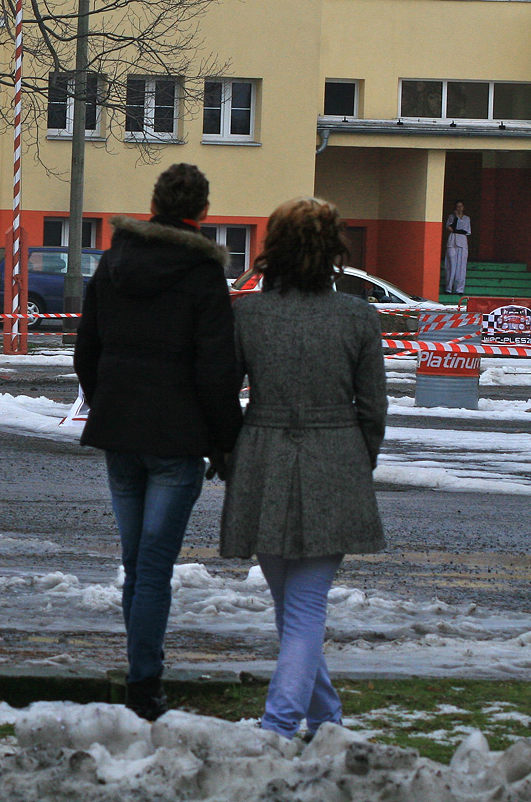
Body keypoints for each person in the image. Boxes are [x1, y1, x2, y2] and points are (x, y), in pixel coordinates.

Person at [74, 163, 243, 720]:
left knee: (136, 563)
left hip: (120, 431)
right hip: (176, 438)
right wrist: (226, 442)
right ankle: (144, 684)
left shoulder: (114, 261)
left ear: (154, 205)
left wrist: (106, 401)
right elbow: (216, 369)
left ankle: (141, 671)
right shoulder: (203, 272)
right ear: (203, 212)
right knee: (153, 567)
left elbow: (86, 349)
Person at [220, 196, 387, 740]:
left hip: (262, 457)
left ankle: (279, 725)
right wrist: (357, 461)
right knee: (301, 608)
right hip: (335, 457)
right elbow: (373, 409)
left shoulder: (247, 314)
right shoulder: (357, 317)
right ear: (333, 250)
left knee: (294, 607)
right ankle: (323, 719)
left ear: (274, 248)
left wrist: (230, 455)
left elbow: (222, 397)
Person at [444, 200, 472, 295]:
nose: (459, 208)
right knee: (451, 265)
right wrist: (456, 217)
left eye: (461, 206)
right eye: (457, 206)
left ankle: (459, 289)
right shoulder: (451, 217)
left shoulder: (467, 218)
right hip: (452, 242)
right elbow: (451, 228)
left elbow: (465, 231)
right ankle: (448, 288)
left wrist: (456, 229)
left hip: (462, 242)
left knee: (461, 267)